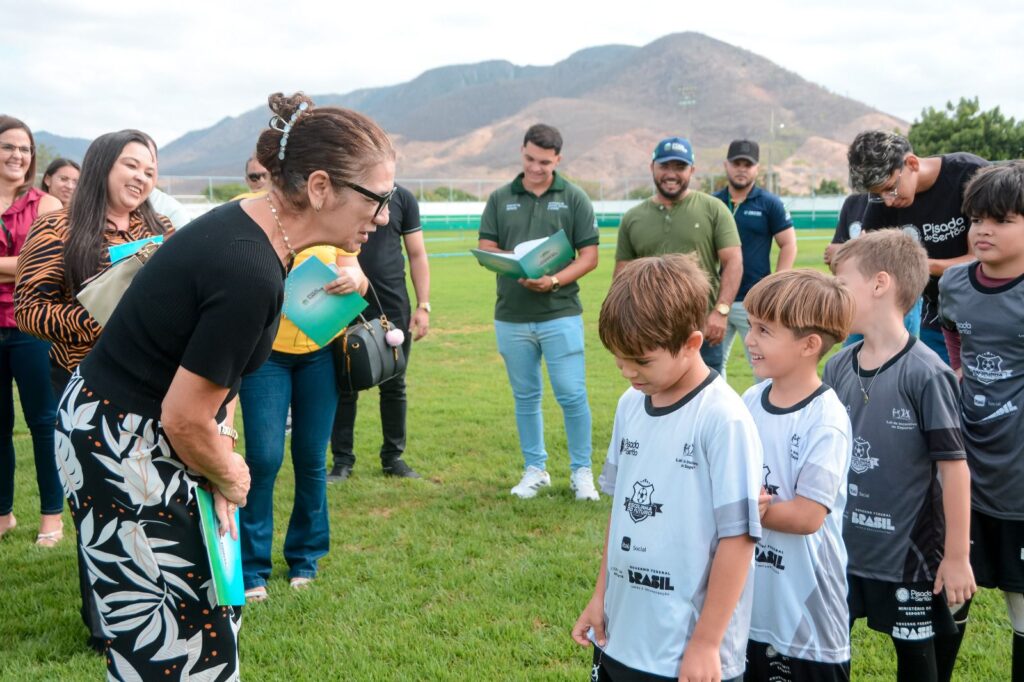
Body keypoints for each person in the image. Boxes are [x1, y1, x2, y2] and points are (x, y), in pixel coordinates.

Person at [41, 92, 395, 680]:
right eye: (377, 199)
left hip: (126, 429)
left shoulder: (252, 228)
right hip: (127, 444)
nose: (383, 215)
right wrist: (232, 475)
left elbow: (204, 382)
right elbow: (183, 417)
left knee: (196, 625)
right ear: (319, 186)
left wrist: (218, 456)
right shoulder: (249, 267)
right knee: (175, 648)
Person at [15, 128, 173, 652]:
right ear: (103, 164)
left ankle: (160, 601)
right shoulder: (56, 226)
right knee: (101, 507)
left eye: (150, 171)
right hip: (86, 386)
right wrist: (101, 320)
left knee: (154, 502)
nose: (141, 178)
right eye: (132, 165)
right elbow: (30, 310)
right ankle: (105, 624)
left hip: (156, 386)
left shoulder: (163, 228)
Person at [572, 254, 762, 681]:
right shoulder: (630, 405)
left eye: (639, 361)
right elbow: (622, 510)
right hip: (621, 638)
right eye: (618, 359)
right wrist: (601, 596)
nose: (626, 372)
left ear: (693, 344)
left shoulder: (723, 419)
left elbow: (739, 538)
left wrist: (707, 642)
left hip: (685, 654)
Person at [825, 230, 975, 682]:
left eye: (841, 285)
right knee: (828, 652)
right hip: (845, 549)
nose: (833, 297)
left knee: (917, 661)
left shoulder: (926, 373)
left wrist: (955, 556)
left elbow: (954, 469)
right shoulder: (836, 366)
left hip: (908, 556)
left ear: (879, 284)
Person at [741, 270, 854, 681]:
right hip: (752, 603)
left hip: (807, 616)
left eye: (764, 330)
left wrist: (740, 509)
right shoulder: (750, 400)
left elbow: (808, 517)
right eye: (751, 326)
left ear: (809, 345)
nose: (750, 339)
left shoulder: (826, 419)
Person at [478, 123, 600, 500]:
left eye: (544, 162)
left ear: (558, 159)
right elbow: (486, 246)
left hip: (560, 311)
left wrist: (553, 281)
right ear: (522, 152)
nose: (535, 167)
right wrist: (512, 262)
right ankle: (535, 469)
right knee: (526, 396)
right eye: (530, 158)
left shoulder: (575, 197)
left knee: (571, 394)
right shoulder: (500, 198)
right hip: (511, 315)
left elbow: (590, 256)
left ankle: (582, 473)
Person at [240, 245, 367, 601]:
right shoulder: (253, 215)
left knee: (311, 457)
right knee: (263, 460)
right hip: (265, 356)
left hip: (321, 352)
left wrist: (353, 279)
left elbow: (360, 277)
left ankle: (305, 557)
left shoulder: (332, 221)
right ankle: (251, 565)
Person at [938, 161, 1024, 681]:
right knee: (949, 591)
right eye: (976, 220)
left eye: (1001, 220)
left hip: (1019, 477)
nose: (983, 230)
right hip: (963, 469)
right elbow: (953, 332)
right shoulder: (954, 282)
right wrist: (959, 370)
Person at [847, 130, 988, 362]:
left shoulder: (970, 174)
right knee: (945, 390)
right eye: (879, 195)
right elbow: (871, 258)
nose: (888, 201)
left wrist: (914, 263)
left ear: (911, 163)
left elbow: (983, 259)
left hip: (991, 312)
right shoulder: (884, 200)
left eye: (890, 188)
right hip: (938, 316)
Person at [328, 184, 430, 482]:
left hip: (392, 306)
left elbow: (417, 254)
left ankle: (393, 458)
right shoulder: (341, 193)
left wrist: (423, 305)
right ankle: (342, 461)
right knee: (345, 386)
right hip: (343, 302)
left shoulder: (403, 199)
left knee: (394, 385)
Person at [615, 136, 742, 375]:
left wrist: (721, 311)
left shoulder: (713, 208)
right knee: (654, 396)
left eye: (680, 167)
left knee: (707, 397)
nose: (671, 174)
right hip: (649, 327)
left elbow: (733, 261)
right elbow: (622, 276)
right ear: (652, 167)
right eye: (664, 166)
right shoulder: (633, 217)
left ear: (692, 170)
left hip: (700, 326)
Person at [0, 116, 63, 547]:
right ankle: (3, 515)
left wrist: (18, 267)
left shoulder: (47, 206)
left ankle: (51, 518)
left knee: (44, 421)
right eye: (8, 147)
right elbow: (20, 264)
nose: (17, 155)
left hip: (31, 324)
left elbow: (40, 267)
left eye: (24, 148)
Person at [711, 139, 796, 379]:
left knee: (764, 369)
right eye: (736, 163)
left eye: (747, 164)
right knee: (711, 370)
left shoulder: (769, 203)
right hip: (717, 301)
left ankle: (764, 416)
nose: (741, 169)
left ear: (756, 168)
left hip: (755, 301)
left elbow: (788, 244)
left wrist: (776, 285)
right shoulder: (713, 203)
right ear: (726, 165)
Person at [825, 193, 923, 340]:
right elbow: (833, 257)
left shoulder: (902, 201)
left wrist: (848, 250)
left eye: (843, 285)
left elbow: (903, 260)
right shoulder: (840, 362)